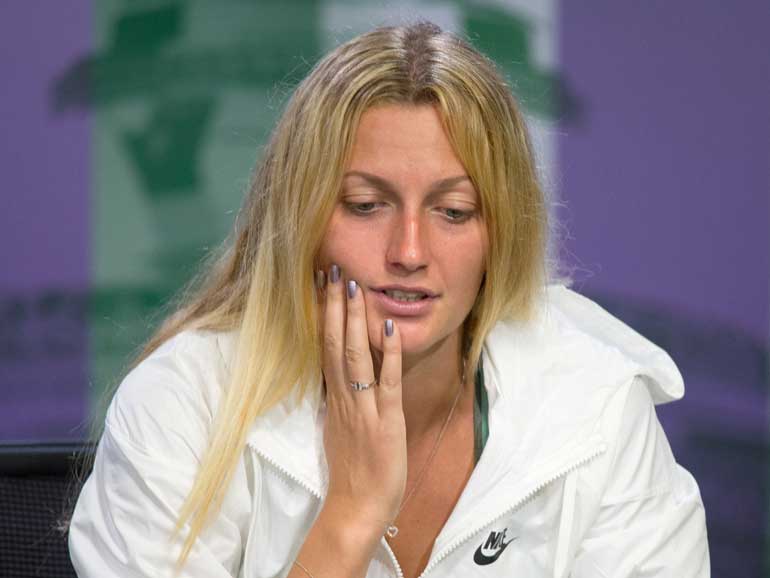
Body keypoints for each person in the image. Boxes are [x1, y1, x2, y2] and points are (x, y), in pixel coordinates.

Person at [68, 22, 709, 577]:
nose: (409, 250)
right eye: (366, 205)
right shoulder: (180, 407)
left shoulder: (595, 405)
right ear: (301, 219)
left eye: (454, 212)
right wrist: (349, 517)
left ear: (500, 233)